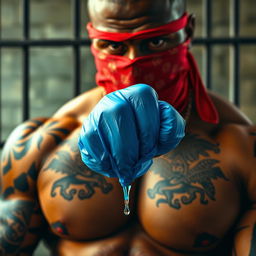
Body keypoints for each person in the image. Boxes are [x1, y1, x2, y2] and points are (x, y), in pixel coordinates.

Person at [0, 0, 255, 255]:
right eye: (113, 45)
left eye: (155, 42)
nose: (133, 61)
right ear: (93, 38)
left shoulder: (241, 147)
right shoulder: (43, 143)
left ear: (187, 31)